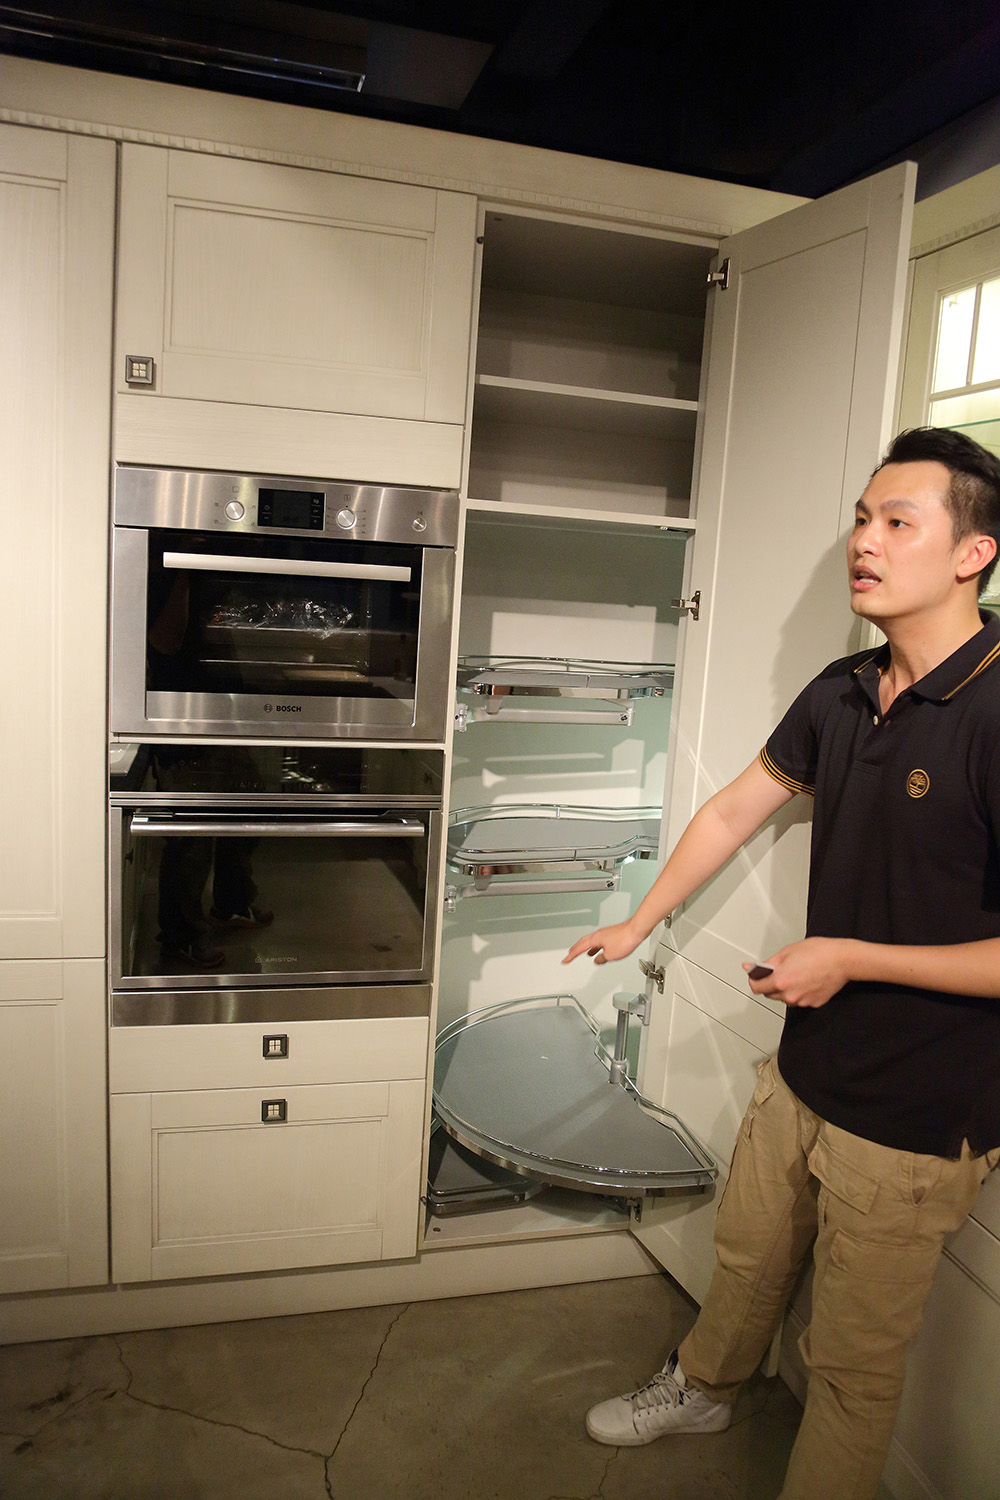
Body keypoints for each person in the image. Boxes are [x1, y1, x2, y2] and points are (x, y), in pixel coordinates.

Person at [563, 427, 1000, 1500]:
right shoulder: (842, 688)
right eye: (861, 517)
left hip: (919, 1113)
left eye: (897, 521)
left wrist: (849, 956)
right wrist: (641, 921)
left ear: (971, 554)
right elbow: (733, 811)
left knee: (849, 1369)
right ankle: (705, 1387)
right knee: (748, 1259)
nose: (864, 540)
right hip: (808, 1062)